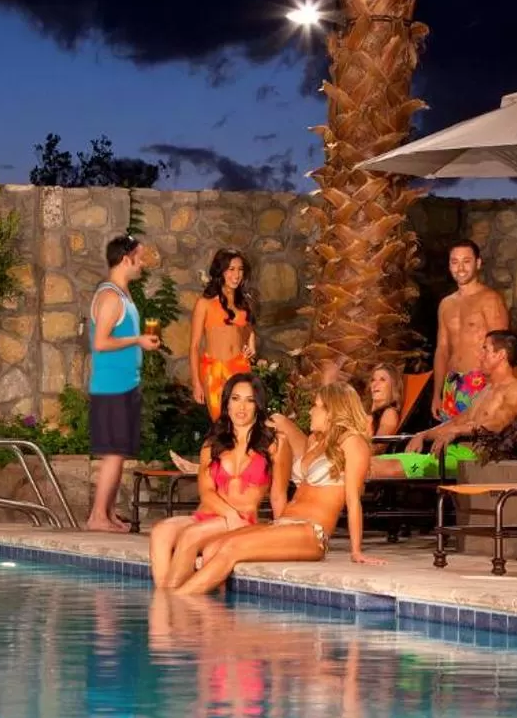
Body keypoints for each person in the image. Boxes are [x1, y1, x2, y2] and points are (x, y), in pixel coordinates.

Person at [177, 382, 377, 594]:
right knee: (211, 549)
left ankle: (176, 603)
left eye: (316, 406)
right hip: (284, 524)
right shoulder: (315, 441)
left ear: (332, 411)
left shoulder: (354, 444)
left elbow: (353, 500)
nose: (311, 411)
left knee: (231, 548)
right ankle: (219, 616)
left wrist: (356, 551)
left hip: (311, 532)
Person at [149, 373, 275, 588]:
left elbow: (279, 494)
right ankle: (163, 602)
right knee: (160, 531)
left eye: (249, 400)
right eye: (235, 399)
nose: (241, 407)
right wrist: (229, 514)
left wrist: (281, 531)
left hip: (244, 519)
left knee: (190, 536)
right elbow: (206, 491)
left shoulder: (270, 444)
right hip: (213, 516)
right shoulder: (212, 444)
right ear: (226, 403)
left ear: (258, 405)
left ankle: (169, 604)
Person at [370, 330, 517, 479]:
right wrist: (424, 435)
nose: (480, 356)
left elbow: (499, 424)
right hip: (450, 454)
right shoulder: (486, 390)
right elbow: (458, 421)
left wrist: (456, 432)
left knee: (375, 468)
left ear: (501, 355)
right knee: (365, 463)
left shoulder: (516, 389)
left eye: (485, 349)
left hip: (474, 460)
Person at [86, 235, 163, 533]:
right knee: (114, 453)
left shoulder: (122, 295)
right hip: (111, 387)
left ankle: (108, 513)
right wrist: (138, 340)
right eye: (139, 258)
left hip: (124, 385)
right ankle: (97, 517)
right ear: (126, 259)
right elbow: (101, 342)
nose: (142, 264)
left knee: (119, 452)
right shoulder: (109, 297)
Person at [430, 240, 510, 422]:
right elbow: (442, 349)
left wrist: (494, 389)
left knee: (477, 445)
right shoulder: (446, 304)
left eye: (466, 261)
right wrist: (437, 393)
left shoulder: (490, 299)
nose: (460, 268)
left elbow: (502, 348)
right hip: (451, 384)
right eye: (455, 262)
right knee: (449, 446)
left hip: (480, 382)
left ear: (478, 263)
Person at [188, 249, 256, 415]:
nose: (237, 274)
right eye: (231, 269)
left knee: (244, 421)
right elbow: (194, 347)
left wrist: (252, 345)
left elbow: (249, 330)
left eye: (240, 269)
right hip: (214, 371)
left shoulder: (244, 303)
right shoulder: (205, 303)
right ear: (220, 271)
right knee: (222, 424)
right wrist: (196, 383)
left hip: (240, 368)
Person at [367, 364, 405, 438]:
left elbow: (378, 445)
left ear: (393, 386)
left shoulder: (389, 413)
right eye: (373, 380)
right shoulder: (367, 411)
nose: (375, 384)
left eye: (382, 380)